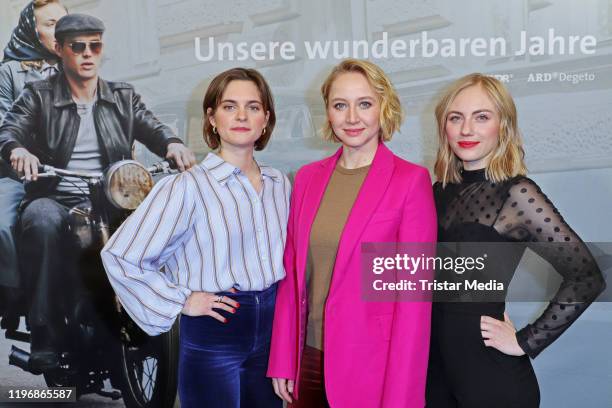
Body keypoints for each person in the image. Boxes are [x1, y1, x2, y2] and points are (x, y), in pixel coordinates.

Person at [0, 13, 195, 372]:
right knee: (41, 221)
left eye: (95, 45)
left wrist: (172, 144)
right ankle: (45, 331)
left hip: (112, 197)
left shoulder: (122, 96)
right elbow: (10, 128)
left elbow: (152, 126)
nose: (88, 54)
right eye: (78, 47)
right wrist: (17, 149)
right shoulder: (38, 95)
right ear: (59, 50)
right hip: (56, 195)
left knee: (159, 227)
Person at [101, 67, 290, 408]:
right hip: (216, 333)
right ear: (212, 118)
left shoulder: (280, 184)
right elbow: (120, 255)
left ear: (266, 119)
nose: (242, 115)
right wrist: (181, 301)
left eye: (253, 106)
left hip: (273, 333)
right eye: (229, 106)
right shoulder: (187, 187)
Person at [426, 73, 606, 407]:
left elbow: (587, 277)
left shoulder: (516, 194)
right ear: (444, 127)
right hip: (432, 378)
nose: (466, 129)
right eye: (456, 117)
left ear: (503, 126)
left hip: (491, 380)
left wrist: (526, 340)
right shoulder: (435, 193)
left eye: (481, 117)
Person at [267, 59, 437, 407]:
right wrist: (284, 359)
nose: (352, 118)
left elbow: (413, 304)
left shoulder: (410, 182)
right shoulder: (306, 178)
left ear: (383, 107)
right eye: (340, 105)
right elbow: (293, 275)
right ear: (328, 112)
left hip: (373, 368)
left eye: (364, 104)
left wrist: (401, 397)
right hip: (308, 359)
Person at [0, 0, 67, 305]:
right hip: (21, 174)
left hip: (74, 173)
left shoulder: (82, 66)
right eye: (50, 24)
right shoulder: (10, 73)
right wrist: (19, 151)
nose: (60, 30)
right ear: (32, 29)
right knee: (3, 223)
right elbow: (4, 125)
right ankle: (16, 296)